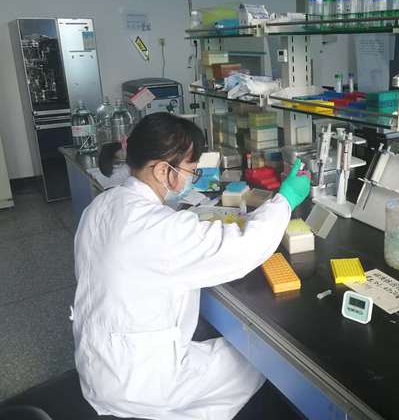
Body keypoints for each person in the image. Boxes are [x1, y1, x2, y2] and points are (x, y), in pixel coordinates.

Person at [72, 113, 310, 420]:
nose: (191, 179)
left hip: (98, 362)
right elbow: (244, 246)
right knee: (259, 361)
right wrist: (286, 199)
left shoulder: (101, 205)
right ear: (162, 170)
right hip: (140, 383)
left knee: (224, 358)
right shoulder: (157, 230)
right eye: (191, 171)